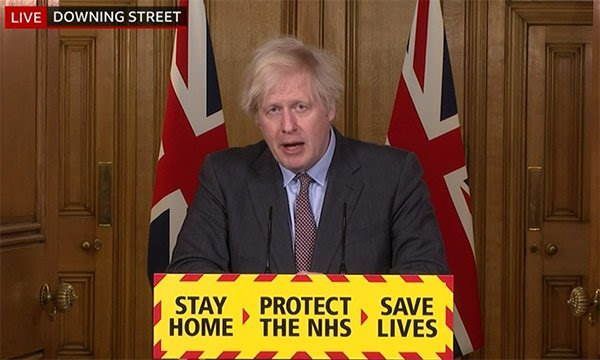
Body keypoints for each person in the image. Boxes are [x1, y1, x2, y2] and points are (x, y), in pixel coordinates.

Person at [168, 37, 448, 274]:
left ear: (329, 109)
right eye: (273, 110)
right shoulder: (225, 176)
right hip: (256, 340)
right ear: (258, 119)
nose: (288, 126)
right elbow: (191, 274)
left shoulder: (392, 176)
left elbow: (423, 277)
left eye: (301, 107)